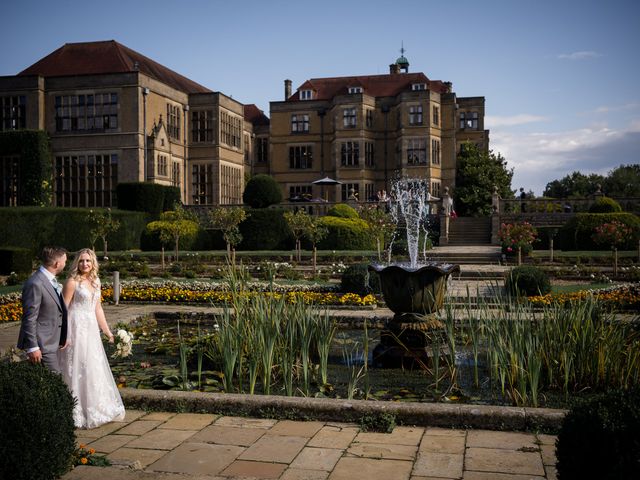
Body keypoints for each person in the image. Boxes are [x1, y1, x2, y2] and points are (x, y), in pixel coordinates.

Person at [59, 248, 125, 429]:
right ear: (76, 263)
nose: (85, 264)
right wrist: (64, 334)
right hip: (76, 328)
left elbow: (98, 309)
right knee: (76, 366)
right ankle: (76, 411)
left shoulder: (96, 281)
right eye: (81, 261)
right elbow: (63, 310)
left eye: (88, 261)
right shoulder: (72, 282)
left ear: (93, 262)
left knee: (92, 366)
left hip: (90, 330)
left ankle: (95, 408)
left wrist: (107, 331)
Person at [17, 246, 68, 373]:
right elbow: (29, 318)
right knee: (55, 381)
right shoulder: (36, 283)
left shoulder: (49, 280)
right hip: (42, 344)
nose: (65, 264)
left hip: (52, 342)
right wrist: (33, 347)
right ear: (57, 264)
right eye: (65, 261)